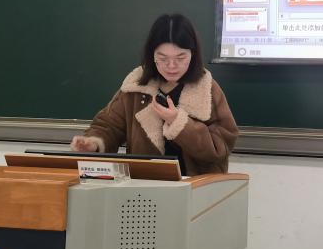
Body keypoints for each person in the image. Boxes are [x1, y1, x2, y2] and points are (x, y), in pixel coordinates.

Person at [69, 13, 237, 175]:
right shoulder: (135, 86)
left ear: (193, 55)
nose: (171, 66)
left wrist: (179, 123)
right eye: (162, 58)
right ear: (152, 55)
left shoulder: (207, 88)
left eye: (180, 58)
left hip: (196, 185)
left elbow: (221, 145)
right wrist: (93, 143)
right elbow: (108, 126)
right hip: (145, 184)